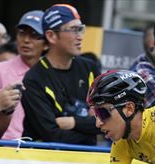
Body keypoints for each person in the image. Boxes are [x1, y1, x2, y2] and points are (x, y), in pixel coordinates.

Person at [21, 4, 101, 144]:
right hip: (44, 161)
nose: (80, 37)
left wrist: (74, 122)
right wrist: (89, 127)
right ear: (51, 36)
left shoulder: (90, 68)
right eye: (73, 30)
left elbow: (110, 121)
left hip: (86, 160)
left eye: (81, 29)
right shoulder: (33, 79)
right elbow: (51, 135)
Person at [0, 10, 47, 140]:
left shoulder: (52, 75)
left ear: (46, 43)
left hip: (42, 151)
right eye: (22, 33)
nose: (26, 40)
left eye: (34, 35)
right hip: (4, 149)